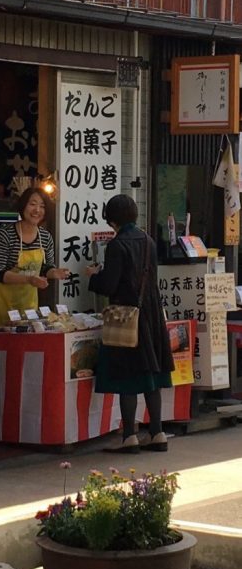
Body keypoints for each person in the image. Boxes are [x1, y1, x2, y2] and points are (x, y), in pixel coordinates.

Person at [86, 194, 175, 454]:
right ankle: (157, 432)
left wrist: (94, 276)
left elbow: (110, 285)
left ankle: (129, 437)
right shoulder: (148, 241)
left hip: (126, 316)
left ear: (111, 219)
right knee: (152, 376)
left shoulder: (117, 245)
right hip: (152, 314)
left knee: (128, 376)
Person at [0, 187, 69, 347]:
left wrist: (55, 273)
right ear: (23, 206)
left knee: (22, 349)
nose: (37, 210)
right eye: (33, 204)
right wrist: (29, 279)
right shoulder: (5, 235)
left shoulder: (45, 237)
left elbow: (46, 267)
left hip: (27, 304)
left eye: (42, 206)